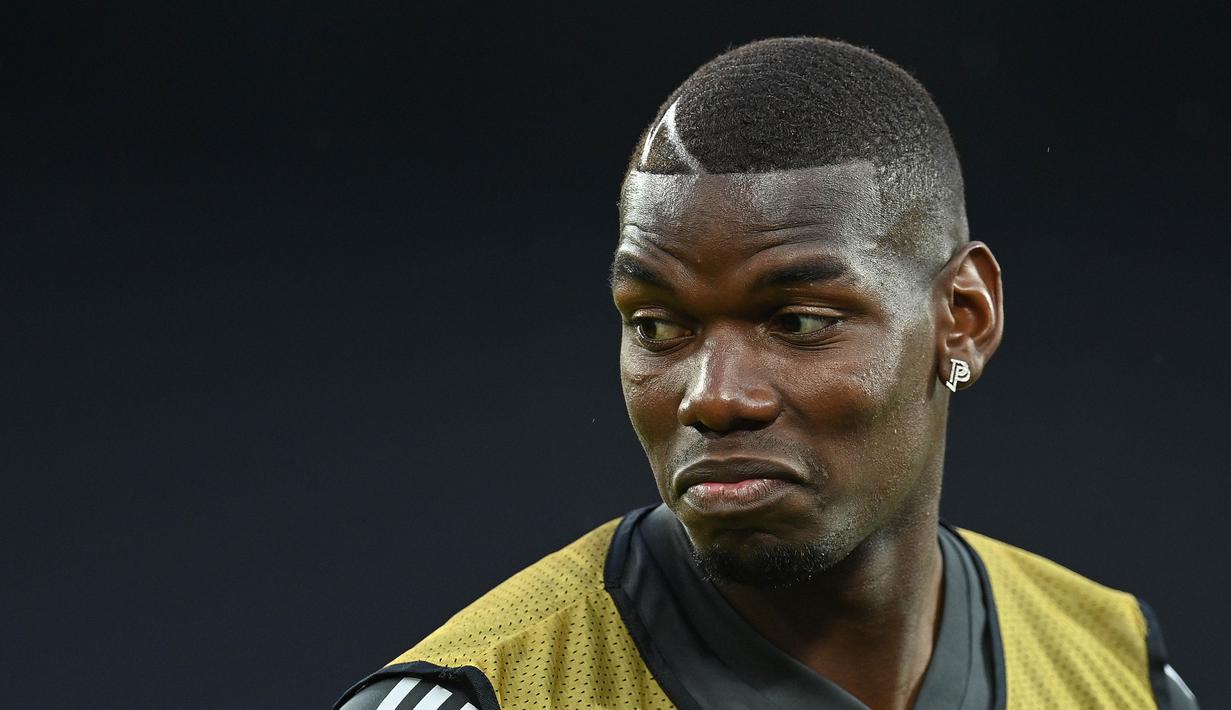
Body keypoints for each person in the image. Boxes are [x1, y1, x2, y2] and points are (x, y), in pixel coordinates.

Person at [334, 37, 1198, 710]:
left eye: (797, 323)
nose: (712, 396)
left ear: (961, 321)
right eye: (657, 326)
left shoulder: (1119, 670)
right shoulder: (477, 697)